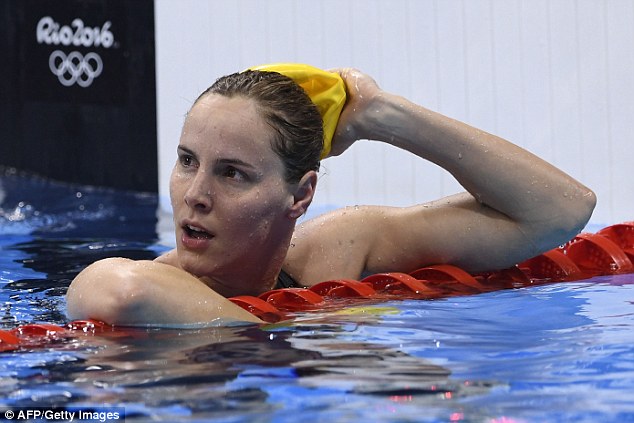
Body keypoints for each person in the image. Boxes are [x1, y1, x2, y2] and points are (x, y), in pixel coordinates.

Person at [65, 66, 596, 326]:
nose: (195, 195)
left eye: (233, 174)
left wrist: (379, 114)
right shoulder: (147, 280)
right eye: (187, 162)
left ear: (300, 195)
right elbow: (119, 290)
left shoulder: (339, 248)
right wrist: (306, 329)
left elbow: (559, 211)